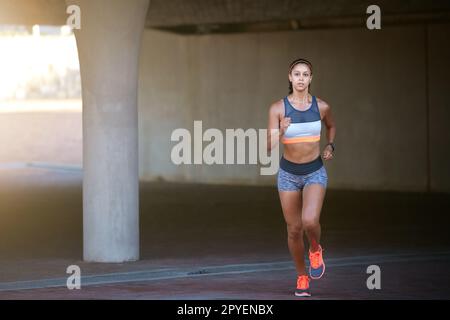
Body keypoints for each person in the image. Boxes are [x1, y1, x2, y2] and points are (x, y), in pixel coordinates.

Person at [267, 58, 336, 297]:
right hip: (288, 175)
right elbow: (267, 146)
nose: (300, 78)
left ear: (310, 78)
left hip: (314, 172)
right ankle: (301, 276)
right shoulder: (278, 108)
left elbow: (331, 126)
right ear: (290, 77)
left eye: (305, 74)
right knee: (294, 230)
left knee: (309, 222)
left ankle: (315, 249)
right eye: (296, 74)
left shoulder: (322, 106)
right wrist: (281, 130)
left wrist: (330, 146)